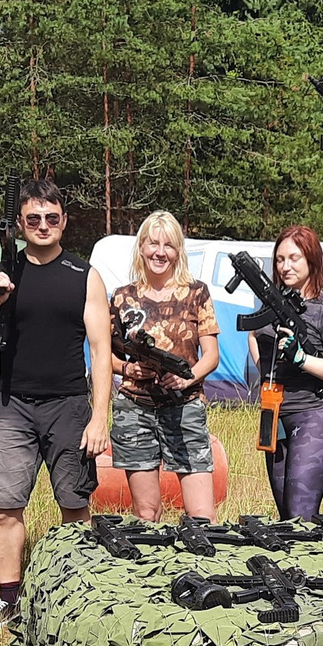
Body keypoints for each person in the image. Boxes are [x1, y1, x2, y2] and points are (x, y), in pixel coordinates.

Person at [0, 178, 112, 630]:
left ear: (64, 221)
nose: (44, 225)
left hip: (69, 405)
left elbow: (101, 352)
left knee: (74, 502)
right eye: (34, 219)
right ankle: (9, 598)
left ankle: (78, 593)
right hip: (13, 406)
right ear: (19, 223)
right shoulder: (0, 274)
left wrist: (100, 417)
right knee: (6, 503)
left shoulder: (84, 276)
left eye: (52, 217)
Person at [107, 211, 221, 522]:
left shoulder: (196, 293)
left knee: (201, 514)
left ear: (178, 250)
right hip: (135, 409)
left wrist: (186, 379)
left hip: (184, 408)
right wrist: (128, 370)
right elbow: (105, 355)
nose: (160, 252)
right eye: (153, 244)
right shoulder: (122, 297)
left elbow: (211, 355)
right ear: (141, 247)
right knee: (146, 512)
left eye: (168, 245)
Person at [249, 224, 323, 519]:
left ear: (312, 260)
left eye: (294, 258)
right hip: (275, 415)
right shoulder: (271, 307)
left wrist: (302, 359)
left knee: (301, 515)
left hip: (314, 415)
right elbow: (253, 335)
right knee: (286, 516)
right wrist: (267, 371)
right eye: (279, 259)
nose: (285, 266)